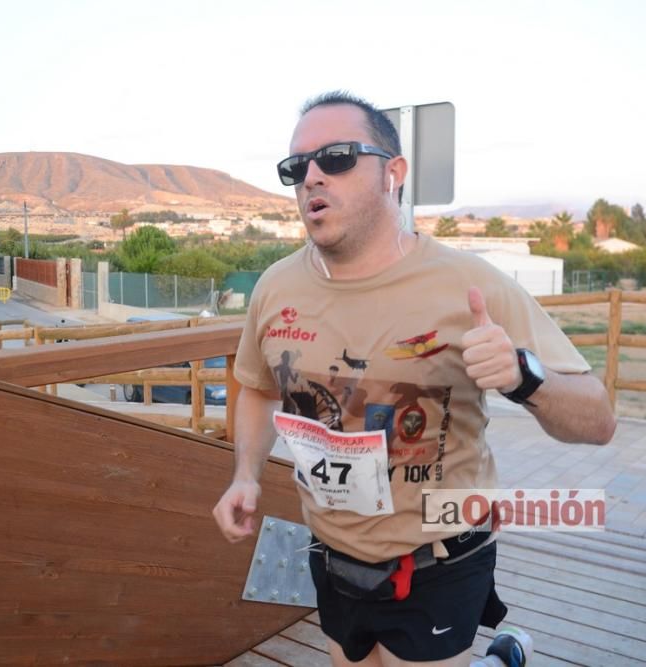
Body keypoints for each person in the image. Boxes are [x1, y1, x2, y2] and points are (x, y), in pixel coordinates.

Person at [212, 91, 616, 667]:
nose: (312, 178)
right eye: (296, 167)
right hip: (331, 556)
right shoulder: (276, 288)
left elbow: (598, 419)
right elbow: (256, 387)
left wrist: (525, 378)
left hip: (440, 559)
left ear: (392, 174)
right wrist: (245, 475)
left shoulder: (470, 284)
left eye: (338, 157)